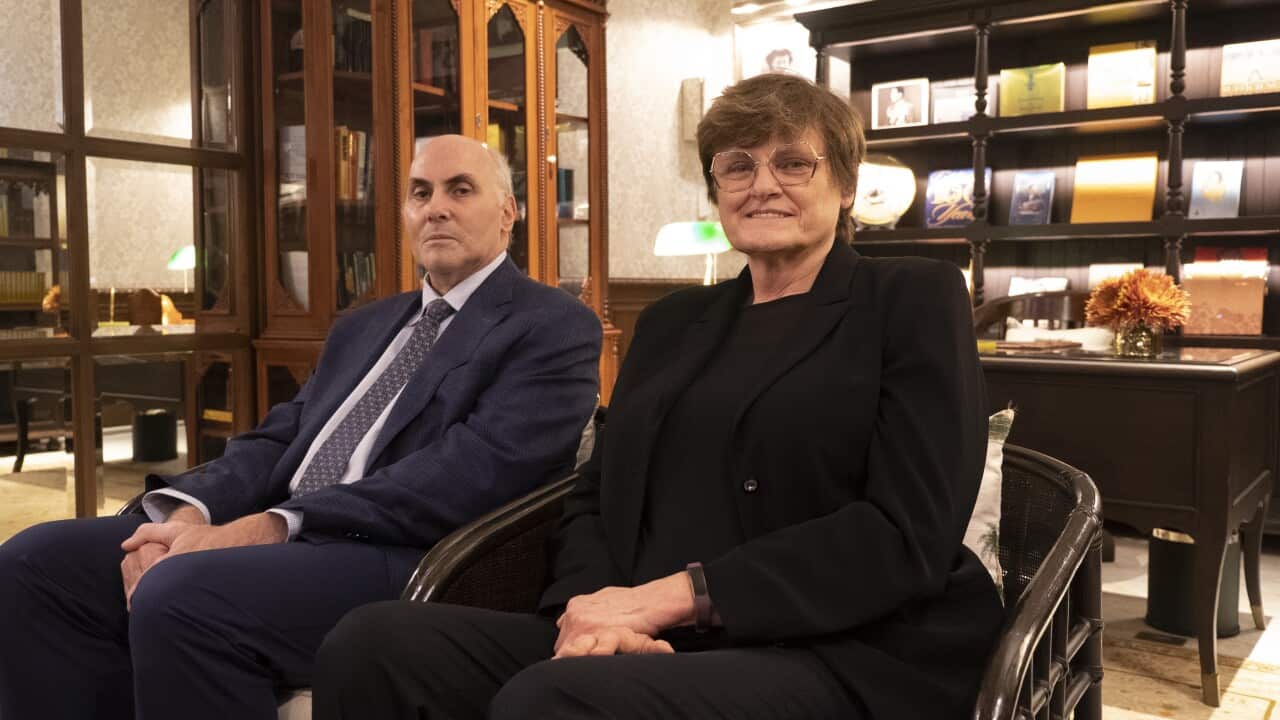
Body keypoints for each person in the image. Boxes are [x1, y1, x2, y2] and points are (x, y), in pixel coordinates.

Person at [313, 74, 1000, 719]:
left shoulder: (910, 298)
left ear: (845, 187)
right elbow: (593, 496)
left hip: (839, 645)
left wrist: (673, 601)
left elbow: (906, 532)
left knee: (554, 702)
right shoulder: (675, 322)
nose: (762, 186)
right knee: (374, 643)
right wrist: (589, 609)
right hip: (654, 635)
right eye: (737, 166)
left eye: (793, 163)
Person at [0, 134, 602, 720]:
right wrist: (186, 515)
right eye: (420, 192)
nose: (436, 207)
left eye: (460, 189)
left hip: (403, 554)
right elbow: (280, 438)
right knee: (34, 561)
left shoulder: (549, 325)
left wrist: (275, 525)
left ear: (508, 213)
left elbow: (473, 472)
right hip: (293, 536)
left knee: (179, 594)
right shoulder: (364, 326)